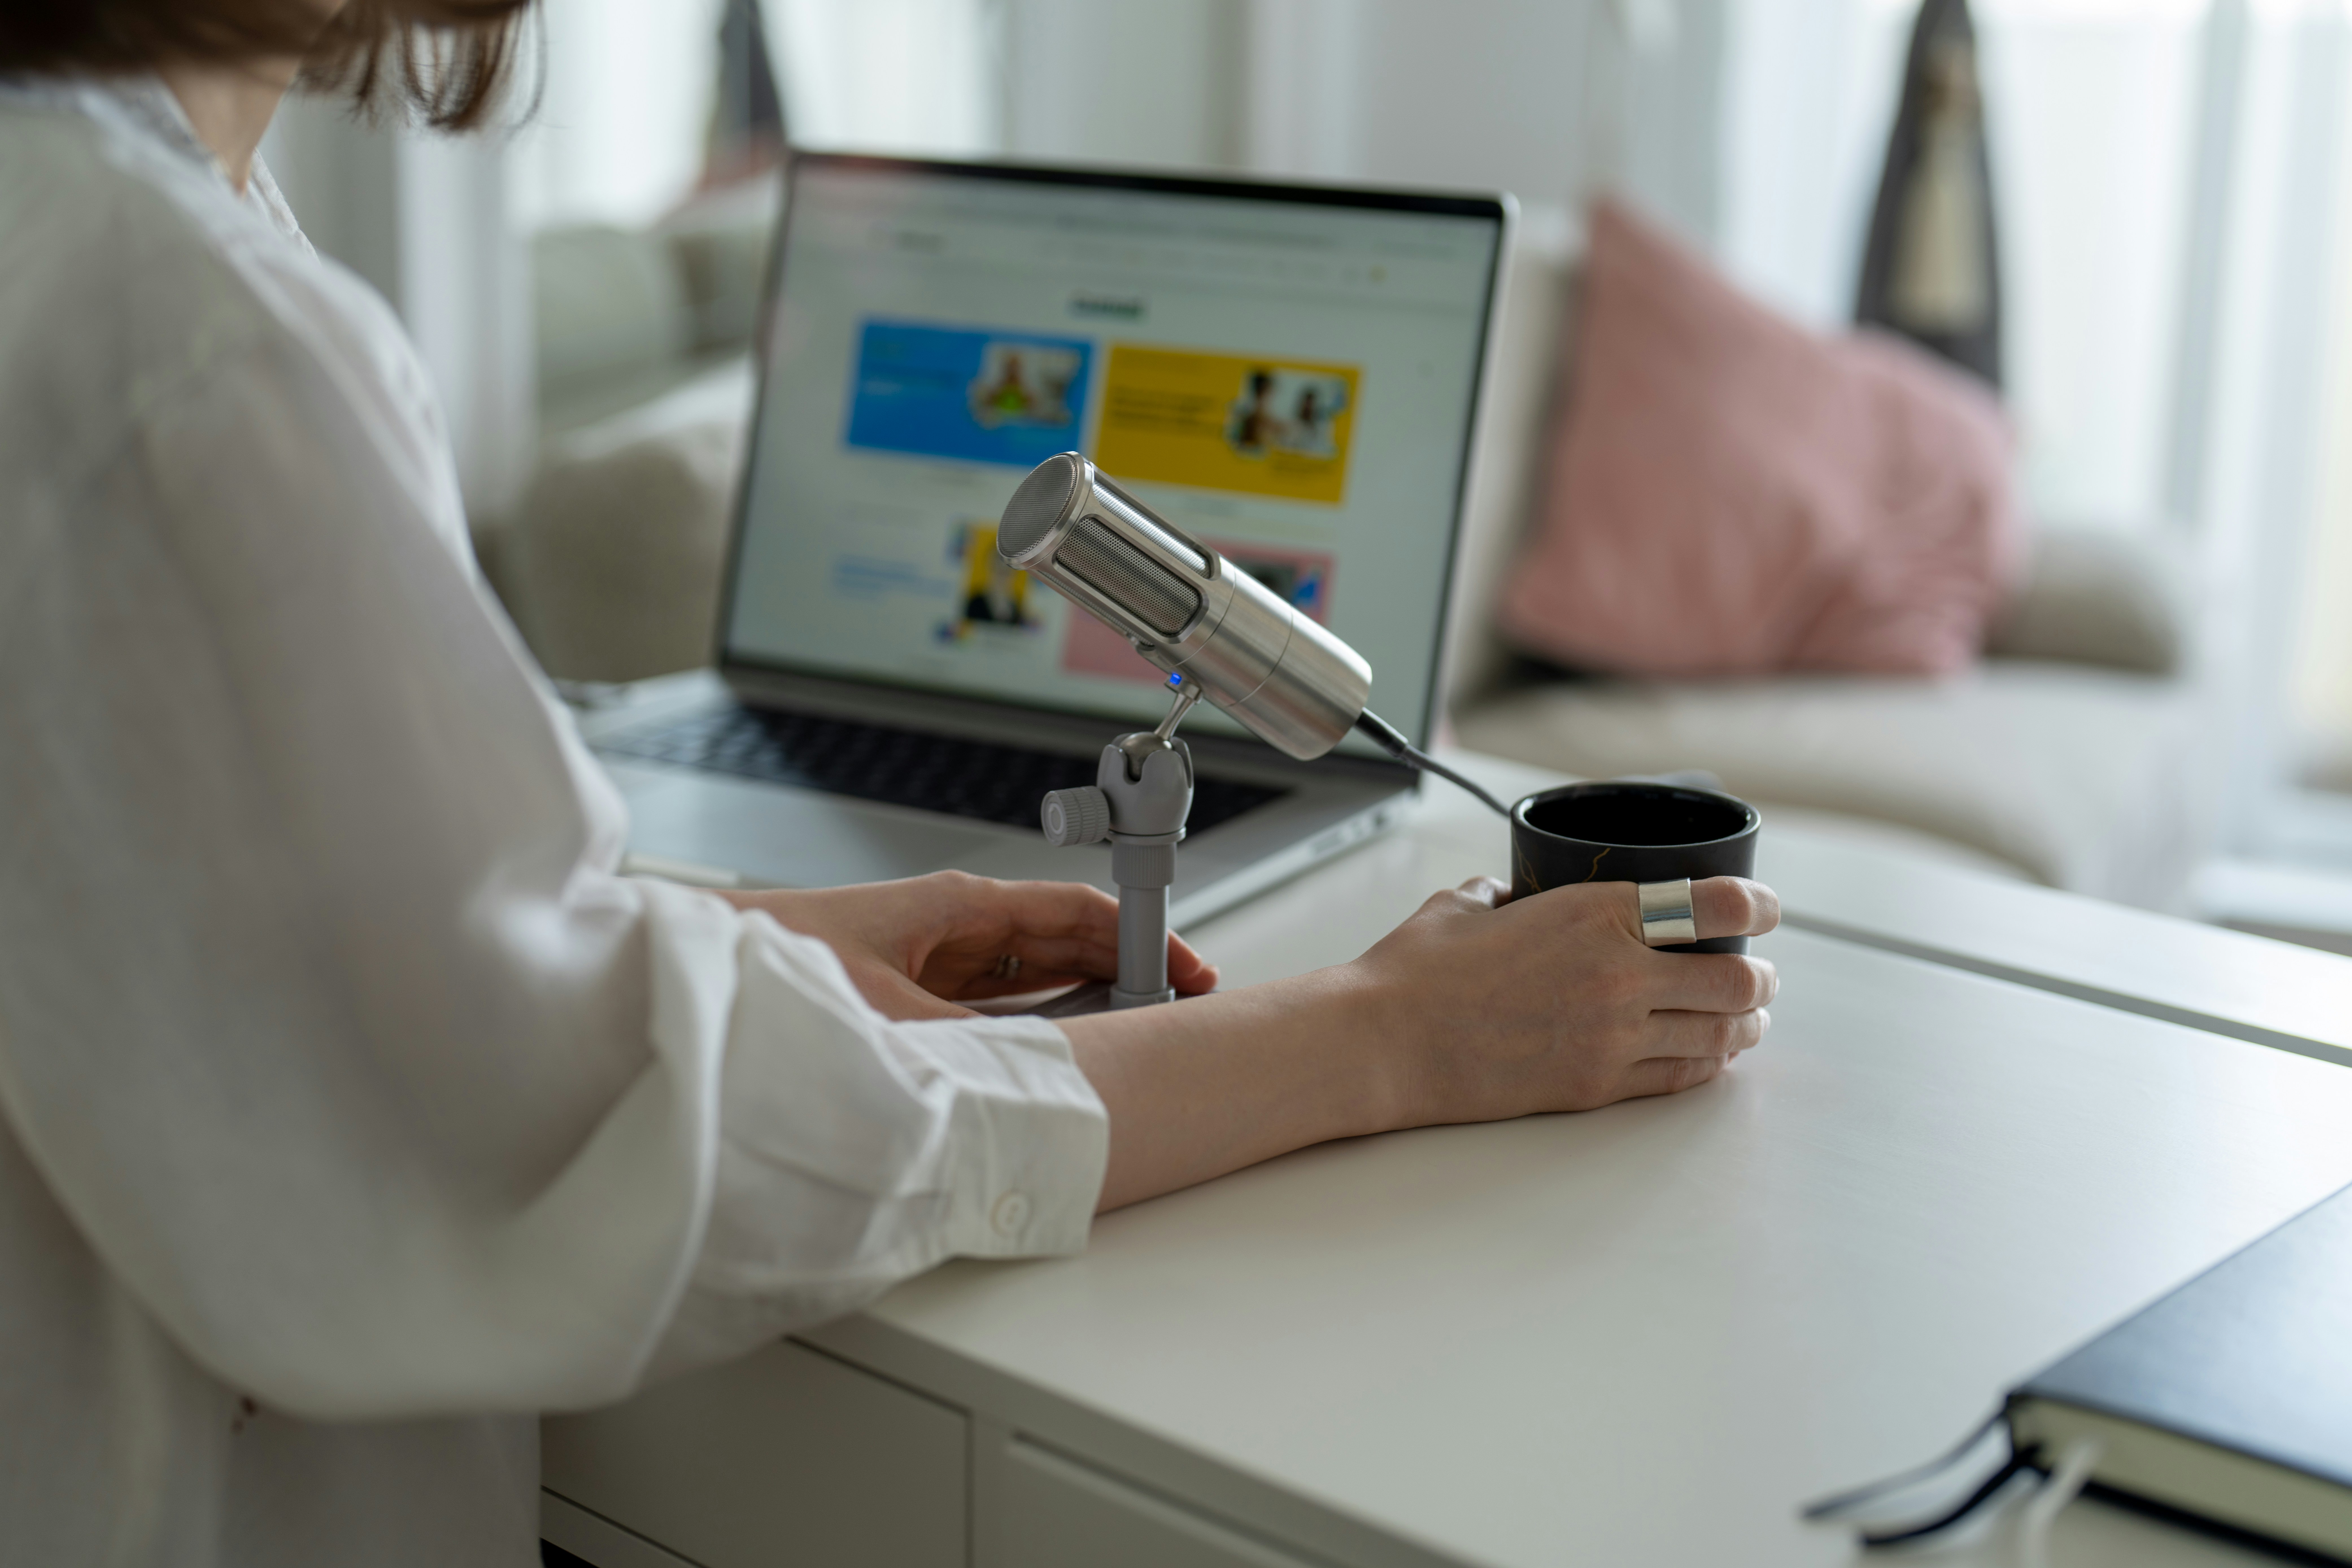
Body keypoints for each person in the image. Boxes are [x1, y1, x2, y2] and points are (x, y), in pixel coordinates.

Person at [0, 3, 1781, 1563]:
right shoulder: (166, 332)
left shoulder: (146, 236)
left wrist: (737, 932)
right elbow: (595, 1133)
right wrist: (1387, 1034)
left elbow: (254, 925)